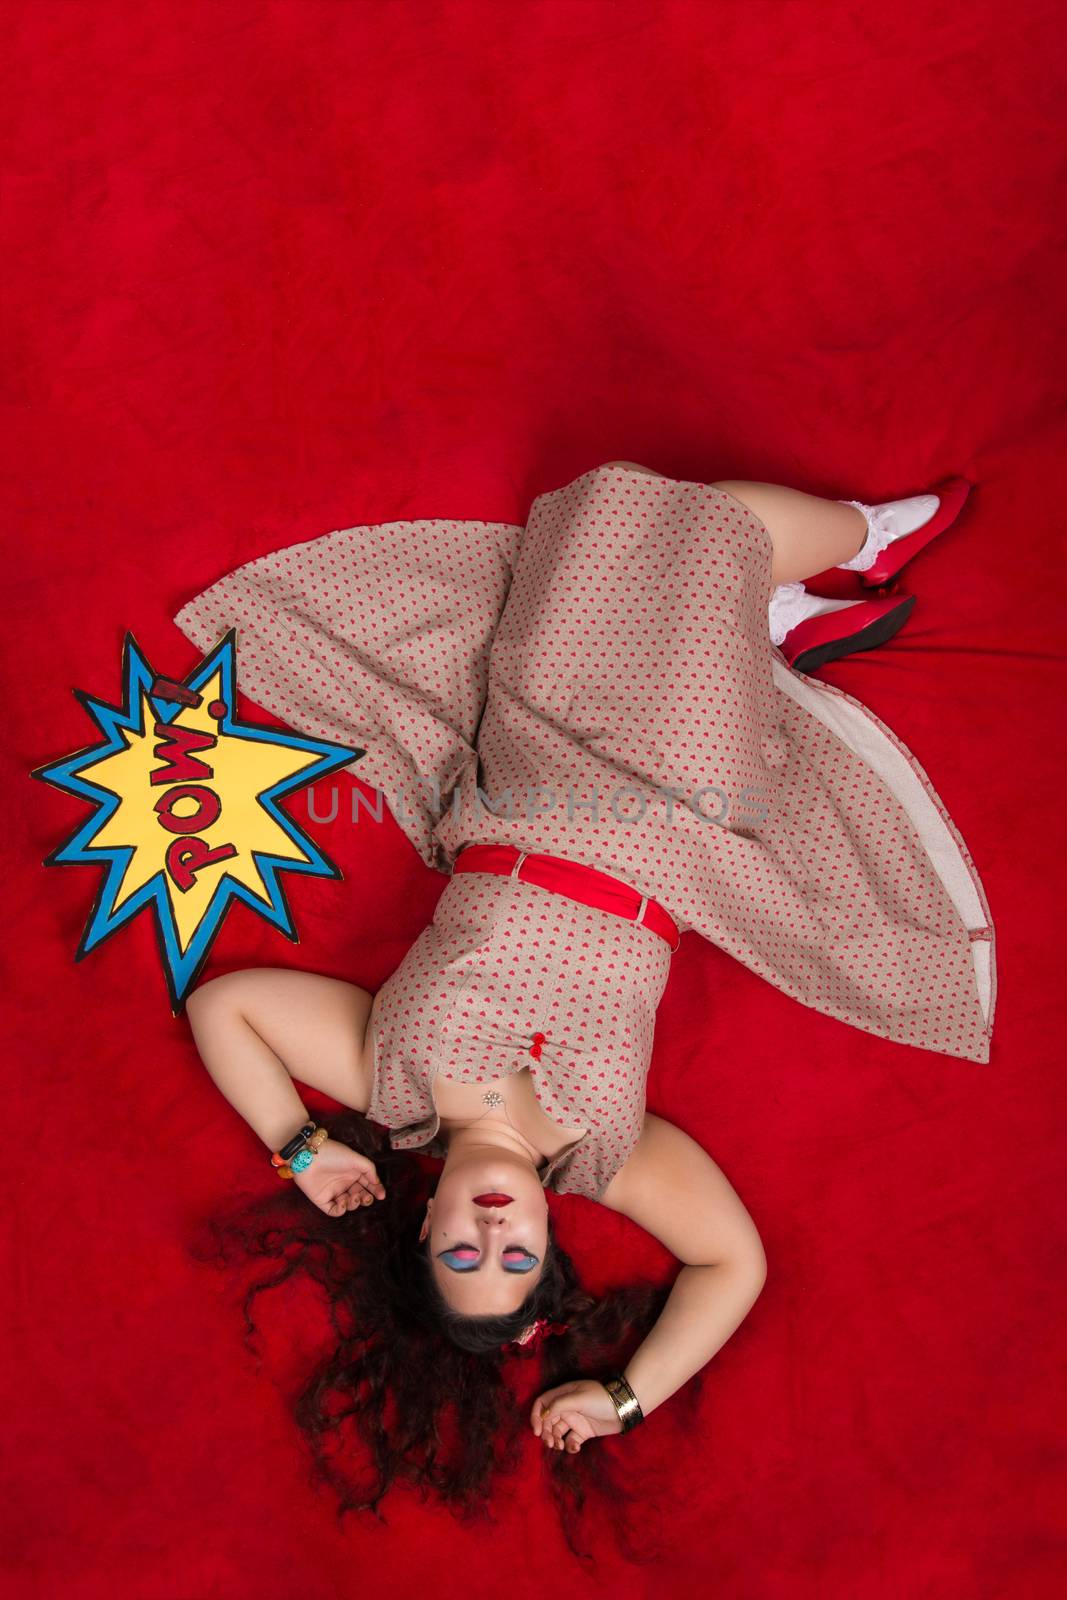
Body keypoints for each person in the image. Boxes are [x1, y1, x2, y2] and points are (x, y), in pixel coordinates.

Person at [176, 461, 995, 1545]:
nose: (491, 1231)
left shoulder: (390, 1080)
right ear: (549, 1237)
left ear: (421, 1223)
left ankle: (761, 627)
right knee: (715, 525)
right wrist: (622, 1396)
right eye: (514, 1257)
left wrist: (297, 1143)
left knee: (602, 512)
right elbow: (730, 1264)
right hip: (677, 812)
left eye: (459, 1252)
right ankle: (860, 542)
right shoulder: (602, 1152)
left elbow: (225, 1005)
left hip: (531, 766)